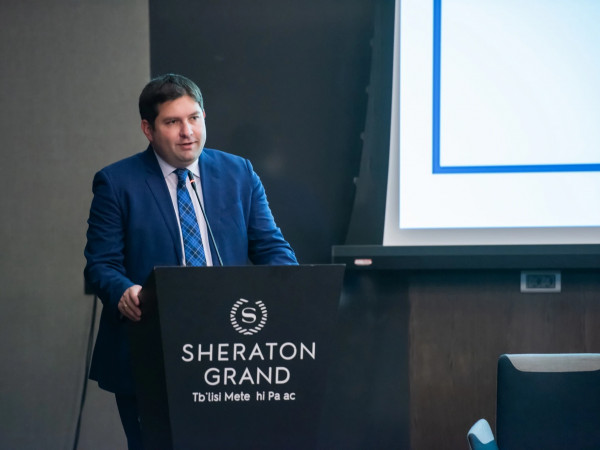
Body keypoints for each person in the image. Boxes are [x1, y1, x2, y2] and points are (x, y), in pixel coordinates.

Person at [84, 73, 297, 449]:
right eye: (172, 122)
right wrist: (124, 291)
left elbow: (272, 248)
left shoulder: (238, 173)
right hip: (151, 347)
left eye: (194, 118)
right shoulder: (117, 183)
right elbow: (101, 264)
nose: (187, 132)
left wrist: (292, 287)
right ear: (148, 129)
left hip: (230, 350)